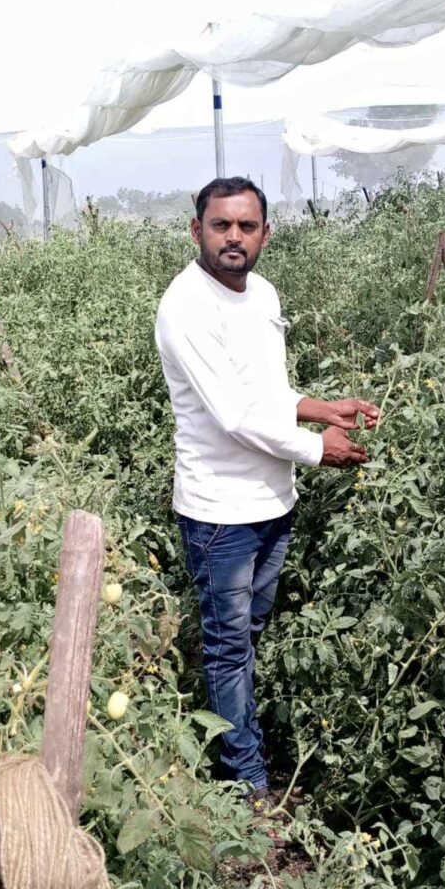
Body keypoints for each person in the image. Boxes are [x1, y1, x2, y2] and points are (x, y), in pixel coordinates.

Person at [154, 176, 379, 806]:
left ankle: (227, 734)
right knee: (228, 646)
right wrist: (316, 450)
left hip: (272, 501)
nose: (233, 238)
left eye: (246, 227)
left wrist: (321, 409)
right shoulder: (186, 308)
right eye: (221, 225)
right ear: (195, 229)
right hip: (220, 511)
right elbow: (234, 415)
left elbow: (266, 393)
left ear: (265, 234)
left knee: (245, 633)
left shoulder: (263, 295)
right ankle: (246, 778)